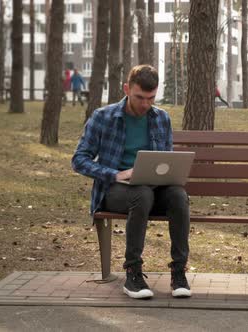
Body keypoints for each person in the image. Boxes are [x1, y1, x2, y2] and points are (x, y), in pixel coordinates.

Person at [72, 64, 191, 300]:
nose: (145, 104)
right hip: (115, 191)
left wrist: (168, 176)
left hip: (152, 190)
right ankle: (133, 272)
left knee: (178, 195)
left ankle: (179, 272)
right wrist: (115, 174)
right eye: (139, 97)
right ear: (127, 89)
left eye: (151, 98)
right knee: (142, 194)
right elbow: (79, 160)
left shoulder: (161, 118)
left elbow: (164, 160)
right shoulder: (103, 117)